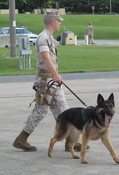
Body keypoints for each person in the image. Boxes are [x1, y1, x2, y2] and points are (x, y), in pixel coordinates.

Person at [13, 10, 82, 152]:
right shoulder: (43, 38)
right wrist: (56, 74)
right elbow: (45, 57)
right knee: (40, 111)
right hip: (45, 81)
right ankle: (21, 139)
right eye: (58, 20)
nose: (60, 23)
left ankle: (70, 142)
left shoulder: (49, 37)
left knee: (62, 110)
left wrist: (55, 76)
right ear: (52, 22)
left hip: (51, 81)